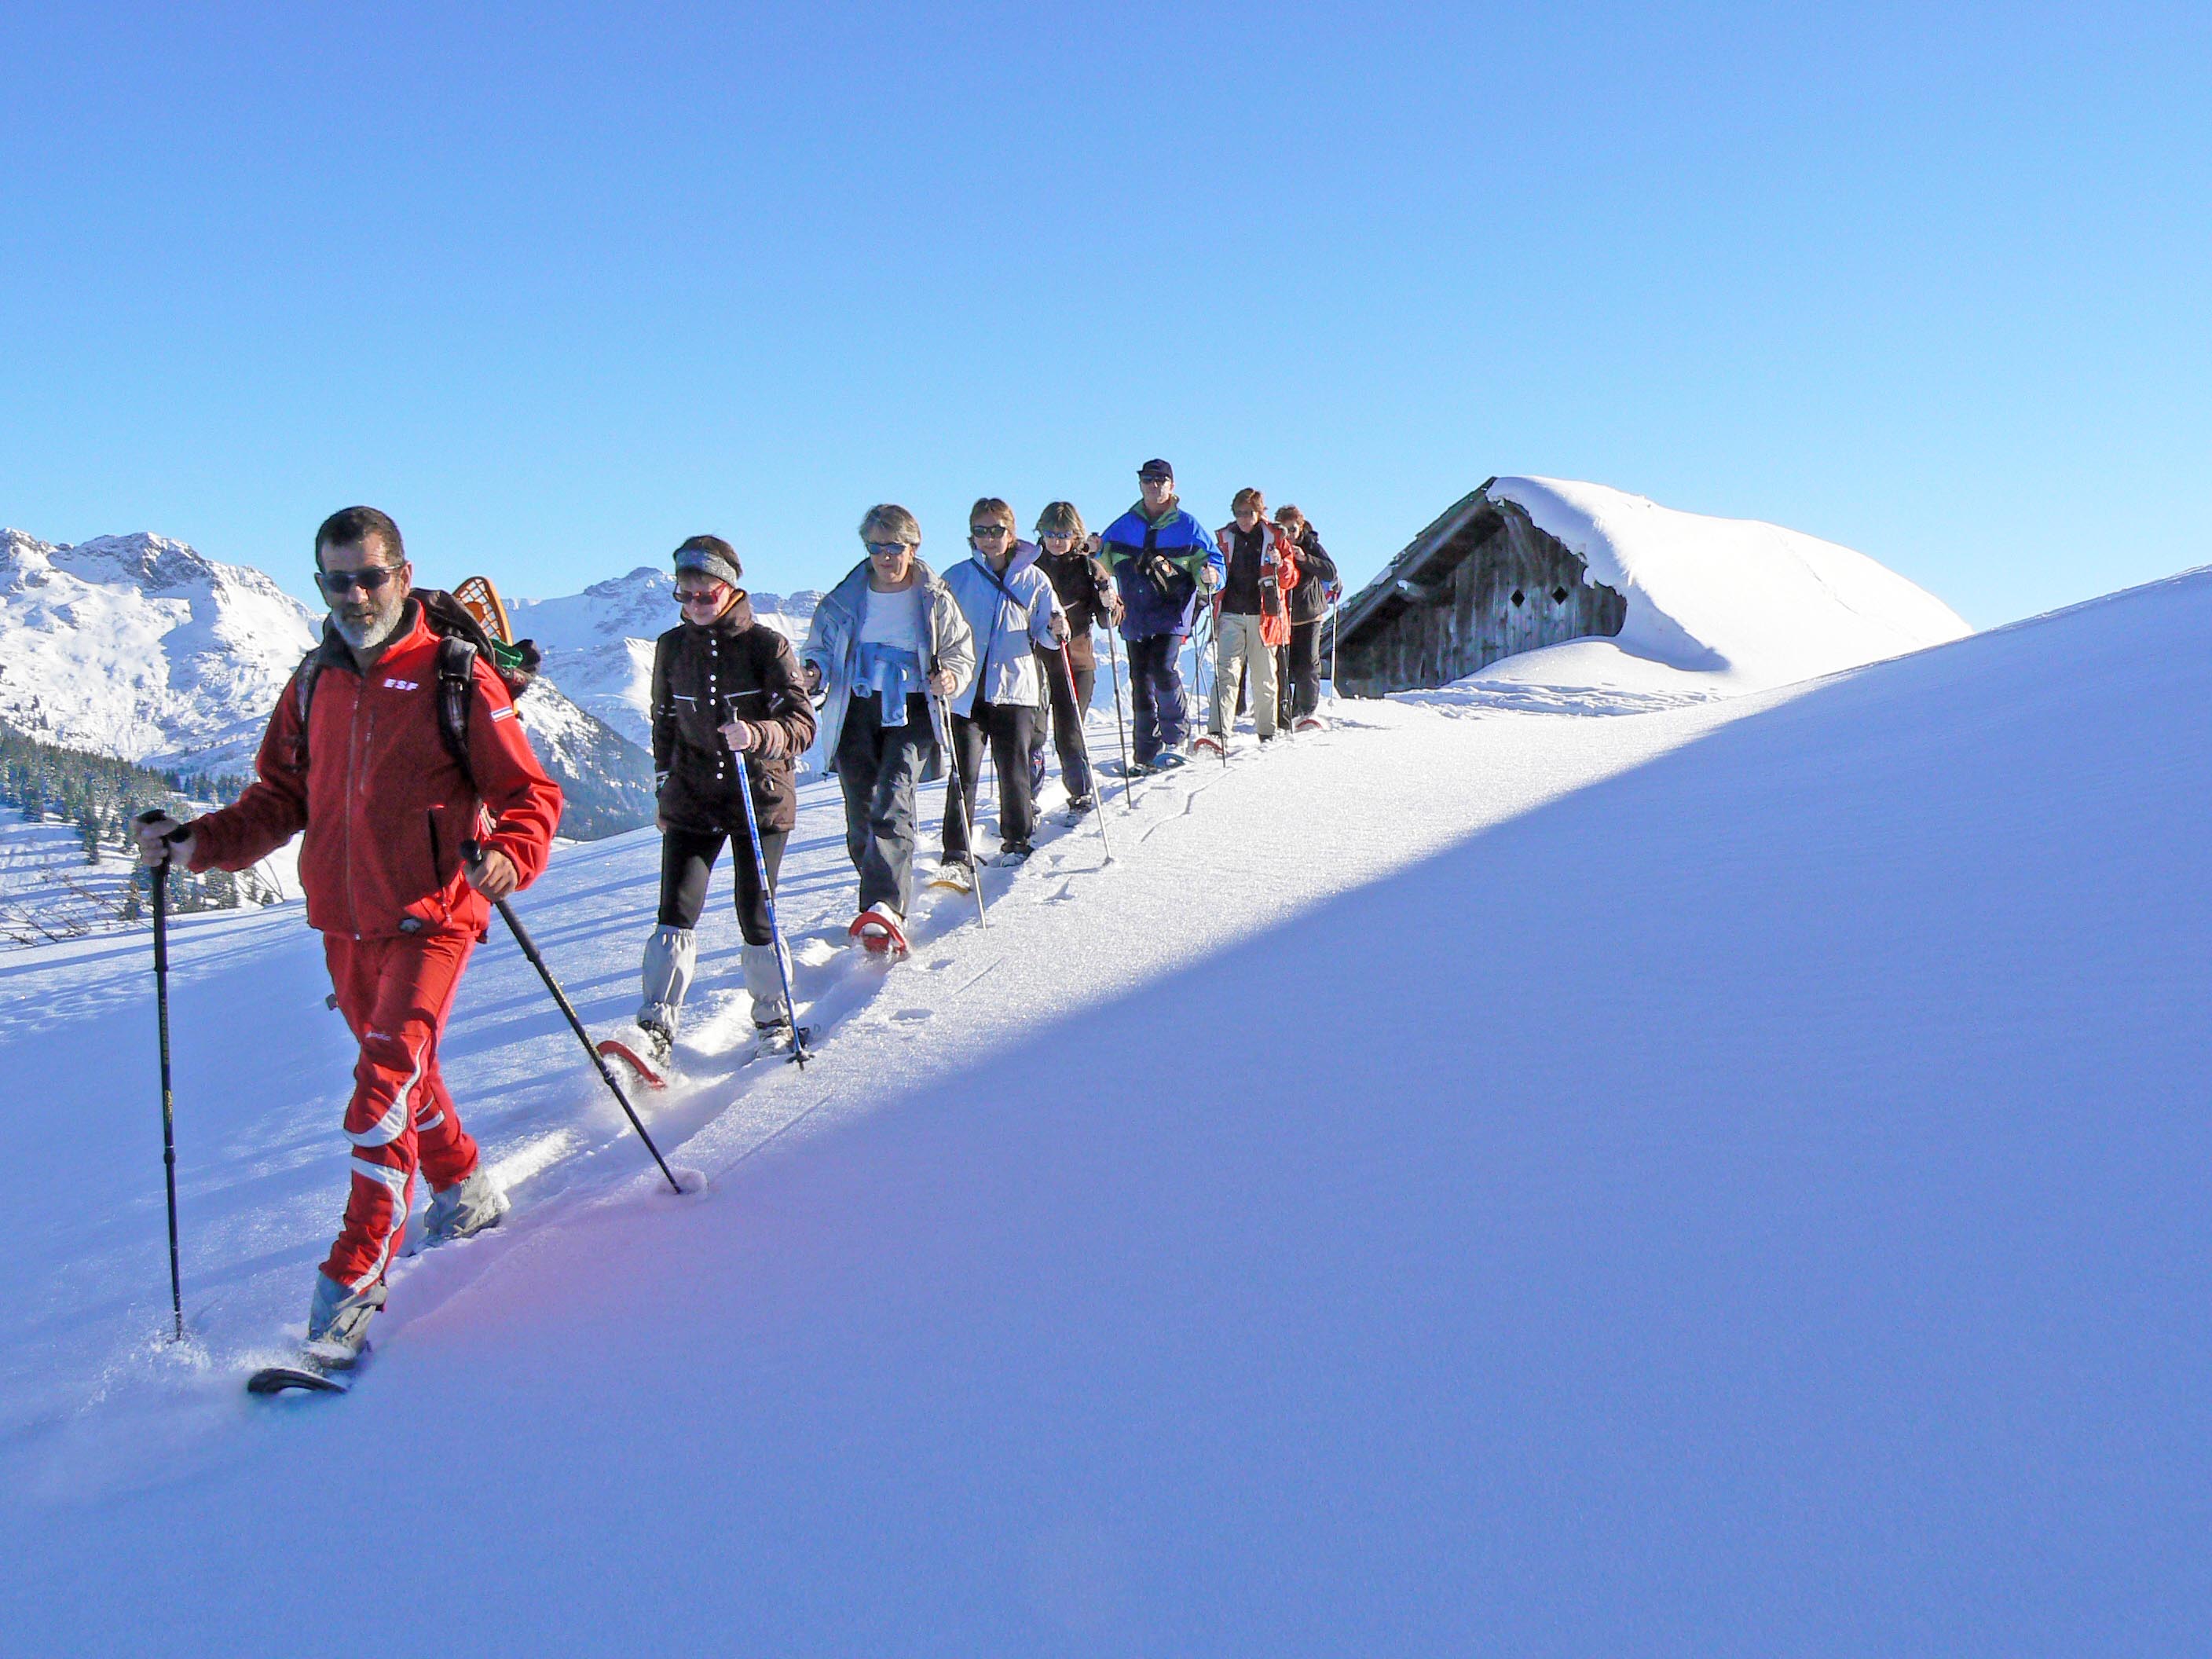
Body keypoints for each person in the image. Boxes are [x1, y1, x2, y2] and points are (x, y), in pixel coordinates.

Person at [135, 506, 562, 1366]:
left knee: (379, 1099)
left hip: (432, 918)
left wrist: (512, 855)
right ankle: (462, 1187)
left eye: (370, 576)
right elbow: (277, 801)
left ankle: (351, 1282)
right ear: (321, 584)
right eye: (338, 580)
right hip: (343, 923)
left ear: (403, 575)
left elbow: (530, 795)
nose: (356, 594)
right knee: (409, 1078)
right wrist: (195, 844)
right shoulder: (313, 681)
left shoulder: (454, 675)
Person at [636, 536, 817, 1064]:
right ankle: (655, 1027)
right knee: (675, 910)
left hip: (757, 796)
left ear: (730, 589)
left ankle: (774, 1018)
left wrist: (760, 734)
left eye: (704, 595)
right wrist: (663, 782)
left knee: (755, 912)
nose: (693, 605)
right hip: (693, 797)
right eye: (684, 595)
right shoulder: (671, 647)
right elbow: (664, 721)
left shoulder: (767, 646)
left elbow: (803, 724)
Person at [800, 504, 975, 954]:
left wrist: (950, 677)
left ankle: (884, 906)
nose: (884, 557)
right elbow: (820, 647)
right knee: (860, 807)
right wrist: (814, 672)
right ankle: (881, 887)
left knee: (893, 796)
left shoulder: (934, 597)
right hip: (856, 705)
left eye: (893, 548)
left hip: (914, 704)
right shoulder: (844, 599)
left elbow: (959, 648)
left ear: (913, 548)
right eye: (875, 548)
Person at [939, 498, 1068, 872]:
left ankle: (1017, 839)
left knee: (1014, 770)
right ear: (972, 535)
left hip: (1015, 688)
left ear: (1012, 534)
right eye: (981, 530)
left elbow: (1048, 631)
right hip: (966, 691)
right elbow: (939, 627)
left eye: (997, 530)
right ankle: (956, 852)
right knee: (964, 772)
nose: (990, 538)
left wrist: (1057, 629)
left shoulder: (1034, 578)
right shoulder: (957, 577)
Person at [1097, 459, 1221, 772]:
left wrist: (1211, 576)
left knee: (1162, 668)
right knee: (1140, 678)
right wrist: (1094, 554)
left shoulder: (1188, 526)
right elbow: (1101, 562)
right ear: (1140, 484)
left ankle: (1176, 737)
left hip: (1173, 609)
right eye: (1148, 479)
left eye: (1161, 480)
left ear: (1172, 485)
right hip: (1135, 612)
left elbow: (1212, 560)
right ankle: (1146, 753)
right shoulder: (1124, 524)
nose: (1154, 485)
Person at [1026, 502, 1120, 818]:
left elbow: (1109, 620)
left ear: (1075, 534)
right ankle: (1027, 795)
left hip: (1076, 663)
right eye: (1050, 533)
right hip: (1035, 662)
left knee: (1069, 732)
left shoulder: (1088, 568)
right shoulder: (1029, 566)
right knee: (1033, 732)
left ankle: (1080, 792)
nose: (1056, 540)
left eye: (1063, 534)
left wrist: (1108, 601)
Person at [1205, 487, 1288, 748]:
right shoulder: (1224, 538)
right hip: (1231, 613)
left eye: (1249, 513)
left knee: (1264, 676)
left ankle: (1267, 731)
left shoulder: (1274, 537)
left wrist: (1281, 563)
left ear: (1260, 512)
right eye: (1239, 513)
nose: (1244, 518)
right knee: (1227, 674)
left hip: (1264, 617)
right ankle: (1218, 733)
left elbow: (1289, 578)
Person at [1273, 504, 1339, 727]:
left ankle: (1307, 711)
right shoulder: (1274, 546)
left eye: (1293, 529)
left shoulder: (1311, 545)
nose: (1290, 535)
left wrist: (1305, 559)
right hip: (1283, 616)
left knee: (1308, 665)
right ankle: (1284, 712)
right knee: (1282, 666)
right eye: (1285, 529)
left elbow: (1330, 571)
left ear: (1301, 527)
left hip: (1310, 613)